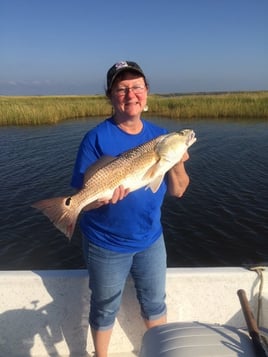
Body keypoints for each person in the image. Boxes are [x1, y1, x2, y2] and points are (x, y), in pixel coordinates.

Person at [71, 60, 190, 357]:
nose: (130, 94)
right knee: (104, 306)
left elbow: (178, 190)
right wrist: (98, 198)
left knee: (155, 303)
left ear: (147, 91)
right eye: (122, 88)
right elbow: (83, 195)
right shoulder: (96, 138)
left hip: (151, 239)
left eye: (137, 86)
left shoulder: (162, 136)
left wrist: (176, 161)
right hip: (106, 243)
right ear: (110, 96)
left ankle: (160, 351)